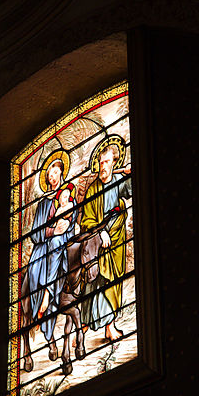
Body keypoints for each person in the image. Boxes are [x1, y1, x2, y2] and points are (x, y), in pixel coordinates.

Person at [80, 138, 131, 341]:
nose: (104, 166)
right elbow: (86, 219)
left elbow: (132, 189)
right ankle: (86, 328)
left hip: (116, 241)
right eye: (101, 163)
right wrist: (100, 233)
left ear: (114, 163)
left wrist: (130, 173)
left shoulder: (119, 182)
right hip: (97, 243)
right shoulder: (93, 189)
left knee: (113, 281)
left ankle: (109, 326)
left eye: (108, 162)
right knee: (94, 282)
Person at [26, 150, 77, 342]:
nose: (52, 177)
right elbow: (35, 233)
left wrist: (62, 229)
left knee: (57, 244)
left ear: (61, 173)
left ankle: (47, 295)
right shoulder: (44, 203)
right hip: (44, 245)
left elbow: (71, 223)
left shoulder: (68, 197)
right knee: (33, 269)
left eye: (54, 173)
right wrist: (51, 232)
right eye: (49, 175)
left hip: (62, 243)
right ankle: (42, 300)